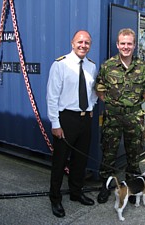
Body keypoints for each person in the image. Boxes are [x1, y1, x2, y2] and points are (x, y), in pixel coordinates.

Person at [95, 28, 145, 204]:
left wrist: (132, 106)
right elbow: (100, 89)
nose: (126, 47)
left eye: (129, 43)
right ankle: (105, 187)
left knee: (133, 156)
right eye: (123, 43)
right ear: (117, 45)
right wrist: (115, 105)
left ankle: (132, 188)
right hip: (112, 117)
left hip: (134, 118)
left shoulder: (142, 66)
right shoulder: (108, 65)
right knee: (108, 154)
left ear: (134, 45)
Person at [46, 30, 98, 218]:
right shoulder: (60, 65)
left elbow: (93, 91)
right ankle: (55, 198)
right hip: (65, 119)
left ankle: (76, 193)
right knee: (60, 161)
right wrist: (55, 123)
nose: (83, 45)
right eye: (80, 42)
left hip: (85, 119)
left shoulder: (91, 66)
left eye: (87, 43)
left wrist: (92, 106)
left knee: (80, 160)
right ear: (72, 43)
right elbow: (52, 96)